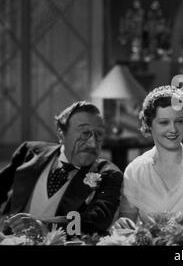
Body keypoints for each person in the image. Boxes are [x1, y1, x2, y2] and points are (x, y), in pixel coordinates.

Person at [0, 101, 123, 235]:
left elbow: (96, 222)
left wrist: (44, 226)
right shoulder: (29, 151)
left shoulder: (109, 174)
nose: (93, 144)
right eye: (84, 133)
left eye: (98, 134)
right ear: (61, 134)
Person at [114, 86, 183, 228]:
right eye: (164, 122)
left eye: (179, 121)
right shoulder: (135, 170)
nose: (173, 129)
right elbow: (127, 219)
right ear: (149, 124)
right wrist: (122, 224)